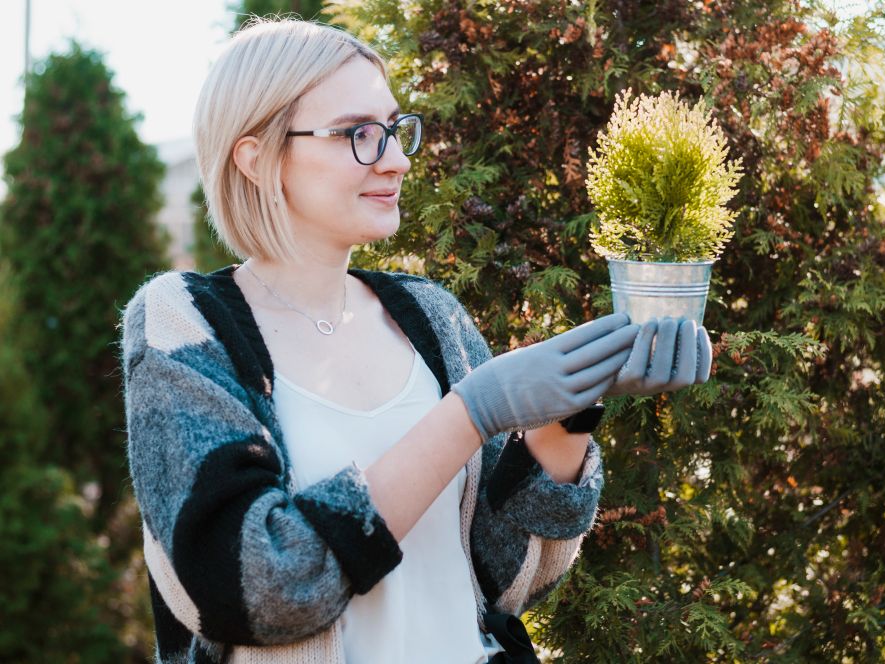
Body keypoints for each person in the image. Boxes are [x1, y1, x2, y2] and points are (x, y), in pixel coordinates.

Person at [121, 18, 712, 664]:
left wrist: (572, 408)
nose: (398, 159)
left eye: (397, 130)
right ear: (258, 159)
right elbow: (254, 587)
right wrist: (468, 415)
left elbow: (507, 578)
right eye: (359, 135)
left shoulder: (429, 316)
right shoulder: (185, 324)